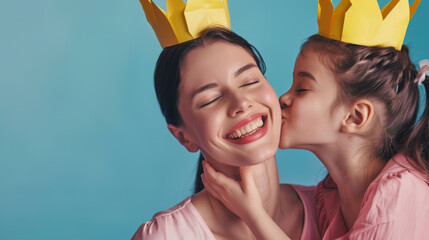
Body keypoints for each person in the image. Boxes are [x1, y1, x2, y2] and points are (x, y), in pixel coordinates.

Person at [201, 0, 429, 239]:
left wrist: (252, 213)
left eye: (301, 89)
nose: (283, 99)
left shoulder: (400, 194)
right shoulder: (327, 197)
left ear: (355, 116)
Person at [132, 1, 319, 239]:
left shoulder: (329, 208)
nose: (241, 103)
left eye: (250, 81)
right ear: (183, 136)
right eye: (211, 99)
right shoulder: (167, 235)